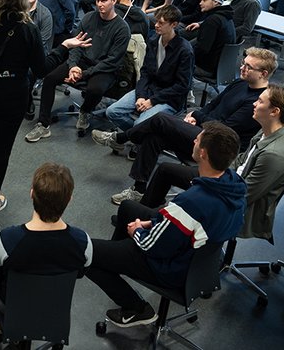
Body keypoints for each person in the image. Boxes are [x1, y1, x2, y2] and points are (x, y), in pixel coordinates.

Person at [87, 121, 246, 329]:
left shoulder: (192, 202)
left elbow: (153, 246)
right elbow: (183, 224)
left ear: (203, 153)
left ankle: (137, 308)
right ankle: (115, 263)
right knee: (128, 207)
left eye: (198, 139)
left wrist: (137, 231)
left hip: (170, 268)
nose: (194, 139)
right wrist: (153, 222)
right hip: (198, 261)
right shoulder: (234, 184)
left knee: (85, 252)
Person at [0, 0, 92, 217]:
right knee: (2, 147)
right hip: (11, 95)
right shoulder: (27, 28)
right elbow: (42, 69)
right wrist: (64, 47)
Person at [92, 47, 276, 204]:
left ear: (264, 73)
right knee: (154, 136)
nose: (242, 68)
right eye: (243, 63)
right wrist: (197, 117)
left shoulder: (258, 103)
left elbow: (224, 129)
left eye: (248, 67)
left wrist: (197, 116)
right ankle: (139, 189)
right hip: (203, 131)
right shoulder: (240, 83)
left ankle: (120, 138)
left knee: (160, 119)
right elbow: (213, 104)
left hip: (216, 146)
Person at [137, 86, 284, 246]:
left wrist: (208, 184)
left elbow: (244, 195)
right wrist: (214, 177)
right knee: (166, 169)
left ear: (274, 111)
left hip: (234, 205)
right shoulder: (265, 130)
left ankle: (152, 229)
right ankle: (146, 219)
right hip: (225, 181)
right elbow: (240, 160)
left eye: (260, 101)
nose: (254, 103)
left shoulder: (274, 155)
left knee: (185, 201)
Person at [0, 163, 92, 336]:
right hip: (56, 304)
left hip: (16, 302)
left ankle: (6, 323)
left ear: (32, 193)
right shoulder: (83, 242)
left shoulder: (6, 240)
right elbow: (80, 273)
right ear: (69, 199)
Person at [27, 0, 130, 141]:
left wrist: (84, 73)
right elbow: (76, 44)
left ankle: (85, 111)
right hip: (81, 62)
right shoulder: (88, 18)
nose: (100, 4)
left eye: (104, 1)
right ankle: (43, 124)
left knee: (95, 89)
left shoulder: (122, 28)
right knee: (49, 79)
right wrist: (73, 66)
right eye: (97, 1)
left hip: (104, 68)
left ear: (114, 1)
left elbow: (112, 61)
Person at [100, 5, 193, 132]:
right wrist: (141, 96)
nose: (156, 25)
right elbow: (145, 72)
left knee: (140, 123)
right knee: (112, 112)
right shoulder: (153, 41)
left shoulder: (184, 50)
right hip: (150, 89)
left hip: (169, 98)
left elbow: (182, 86)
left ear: (174, 25)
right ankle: (139, 135)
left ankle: (137, 133)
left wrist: (152, 101)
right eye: (156, 21)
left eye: (161, 23)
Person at [183, 0, 236, 77]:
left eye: (204, 0)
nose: (200, 3)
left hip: (207, 68)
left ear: (215, 2)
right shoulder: (226, 17)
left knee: (173, 60)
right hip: (220, 68)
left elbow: (202, 49)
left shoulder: (212, 21)